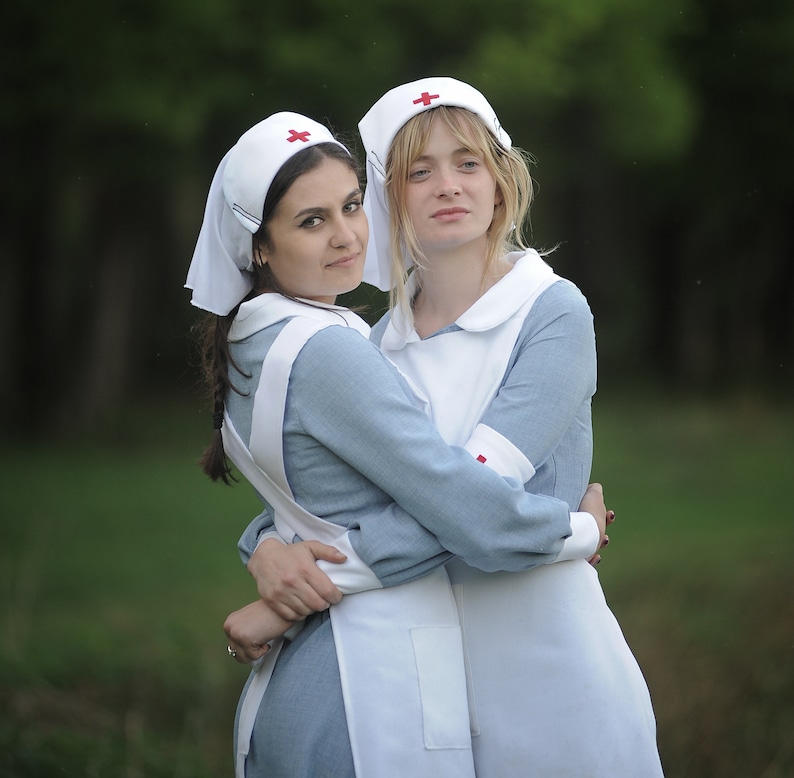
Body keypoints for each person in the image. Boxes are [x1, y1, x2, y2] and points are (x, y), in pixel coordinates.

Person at [247, 79, 664, 776]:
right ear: (387, 198)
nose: (448, 185)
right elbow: (332, 497)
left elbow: (472, 502)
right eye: (419, 170)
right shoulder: (370, 347)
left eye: (468, 163)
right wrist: (263, 543)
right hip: (420, 677)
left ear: (501, 181)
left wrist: (282, 608)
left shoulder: (552, 312)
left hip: (549, 660)